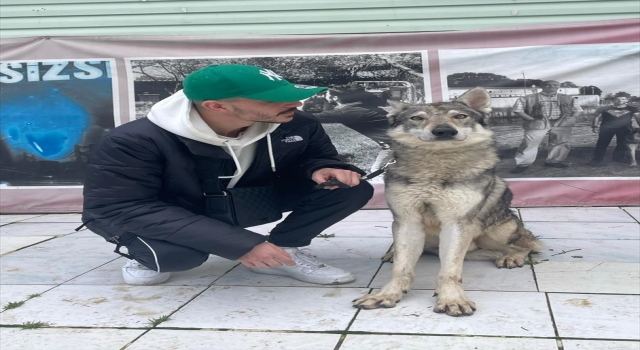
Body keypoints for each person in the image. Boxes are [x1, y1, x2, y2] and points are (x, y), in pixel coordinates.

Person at [81, 64, 374, 286]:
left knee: (347, 187)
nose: (295, 104)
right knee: (176, 258)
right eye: (274, 99)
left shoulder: (296, 122)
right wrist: (243, 244)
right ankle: (144, 253)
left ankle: (284, 251)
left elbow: (316, 156)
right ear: (217, 106)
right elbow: (120, 206)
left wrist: (322, 168)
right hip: (170, 208)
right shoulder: (133, 141)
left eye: (293, 95)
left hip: (240, 198)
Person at [312, 85, 393, 172]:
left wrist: (303, 103)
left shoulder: (347, 112)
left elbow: (309, 118)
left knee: (377, 172)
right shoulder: (360, 106)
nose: (324, 96)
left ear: (335, 97)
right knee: (378, 170)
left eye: (326, 94)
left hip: (399, 145)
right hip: (396, 143)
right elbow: (329, 112)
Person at [510, 80, 583, 173]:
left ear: (558, 87)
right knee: (529, 143)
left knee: (561, 142)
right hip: (537, 123)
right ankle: (523, 164)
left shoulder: (568, 98)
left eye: (555, 85)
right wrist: (531, 119)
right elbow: (518, 110)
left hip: (562, 123)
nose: (552, 87)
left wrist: (570, 117)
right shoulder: (527, 98)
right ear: (542, 86)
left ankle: (554, 161)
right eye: (548, 85)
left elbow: (578, 110)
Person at [589, 93, 640, 166]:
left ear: (627, 100)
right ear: (613, 100)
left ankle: (619, 158)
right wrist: (594, 126)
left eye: (623, 99)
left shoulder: (632, 109)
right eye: (617, 99)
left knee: (622, 144)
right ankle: (597, 159)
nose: (620, 101)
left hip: (625, 129)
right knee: (602, 144)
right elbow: (596, 117)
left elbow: (638, 118)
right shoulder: (604, 108)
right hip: (606, 129)